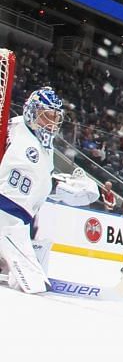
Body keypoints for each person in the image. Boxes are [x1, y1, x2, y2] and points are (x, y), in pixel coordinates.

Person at [0, 86, 97, 294]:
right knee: (35, 287)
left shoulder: (37, 139)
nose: (52, 124)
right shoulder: (18, 137)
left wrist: (68, 187)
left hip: (18, 223)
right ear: (31, 112)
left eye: (55, 117)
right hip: (6, 221)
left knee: (41, 252)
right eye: (46, 117)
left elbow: (40, 180)